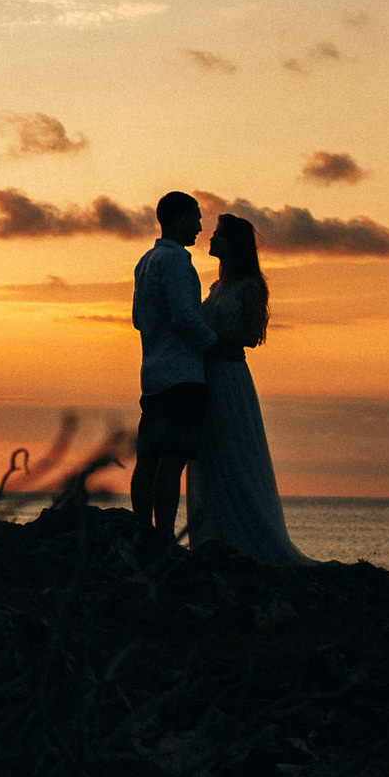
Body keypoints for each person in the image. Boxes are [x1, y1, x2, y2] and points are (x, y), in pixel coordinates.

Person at [186, 213, 315, 566]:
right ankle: (212, 533)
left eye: (219, 234)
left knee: (233, 450)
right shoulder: (216, 288)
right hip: (206, 375)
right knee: (210, 453)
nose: (211, 239)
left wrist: (210, 341)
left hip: (229, 375)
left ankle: (245, 536)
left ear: (233, 244)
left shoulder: (250, 287)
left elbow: (251, 337)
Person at [132, 191, 218, 541]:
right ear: (179, 218)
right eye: (195, 218)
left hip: (152, 373)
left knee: (148, 459)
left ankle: (142, 531)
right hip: (182, 375)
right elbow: (185, 317)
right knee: (172, 460)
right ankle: (164, 538)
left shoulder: (146, 261)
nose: (199, 226)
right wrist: (215, 345)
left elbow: (139, 319)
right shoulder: (177, 263)